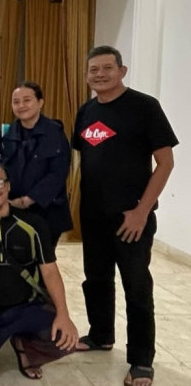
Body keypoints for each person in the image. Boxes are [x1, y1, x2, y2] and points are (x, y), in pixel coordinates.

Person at [72, 45, 177, 386]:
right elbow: (85, 160)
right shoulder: (86, 111)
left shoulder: (144, 107)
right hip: (93, 215)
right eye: (94, 70)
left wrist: (142, 211)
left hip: (131, 216)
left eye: (107, 68)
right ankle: (101, 334)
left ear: (122, 71)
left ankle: (142, 361)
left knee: (137, 287)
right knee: (96, 278)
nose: (100, 74)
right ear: (87, 75)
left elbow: (165, 163)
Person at [0, 160, 78, 385]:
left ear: (8, 185)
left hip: (25, 309)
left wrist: (63, 314)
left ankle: (24, 345)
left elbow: (50, 271)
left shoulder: (34, 224)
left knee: (65, 339)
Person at [0, 81, 72, 246]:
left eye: (27, 100)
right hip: (11, 207)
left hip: (47, 209)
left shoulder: (55, 133)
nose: (21, 105)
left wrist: (27, 201)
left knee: (43, 257)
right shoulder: (6, 133)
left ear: (40, 102)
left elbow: (57, 174)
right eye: (16, 102)